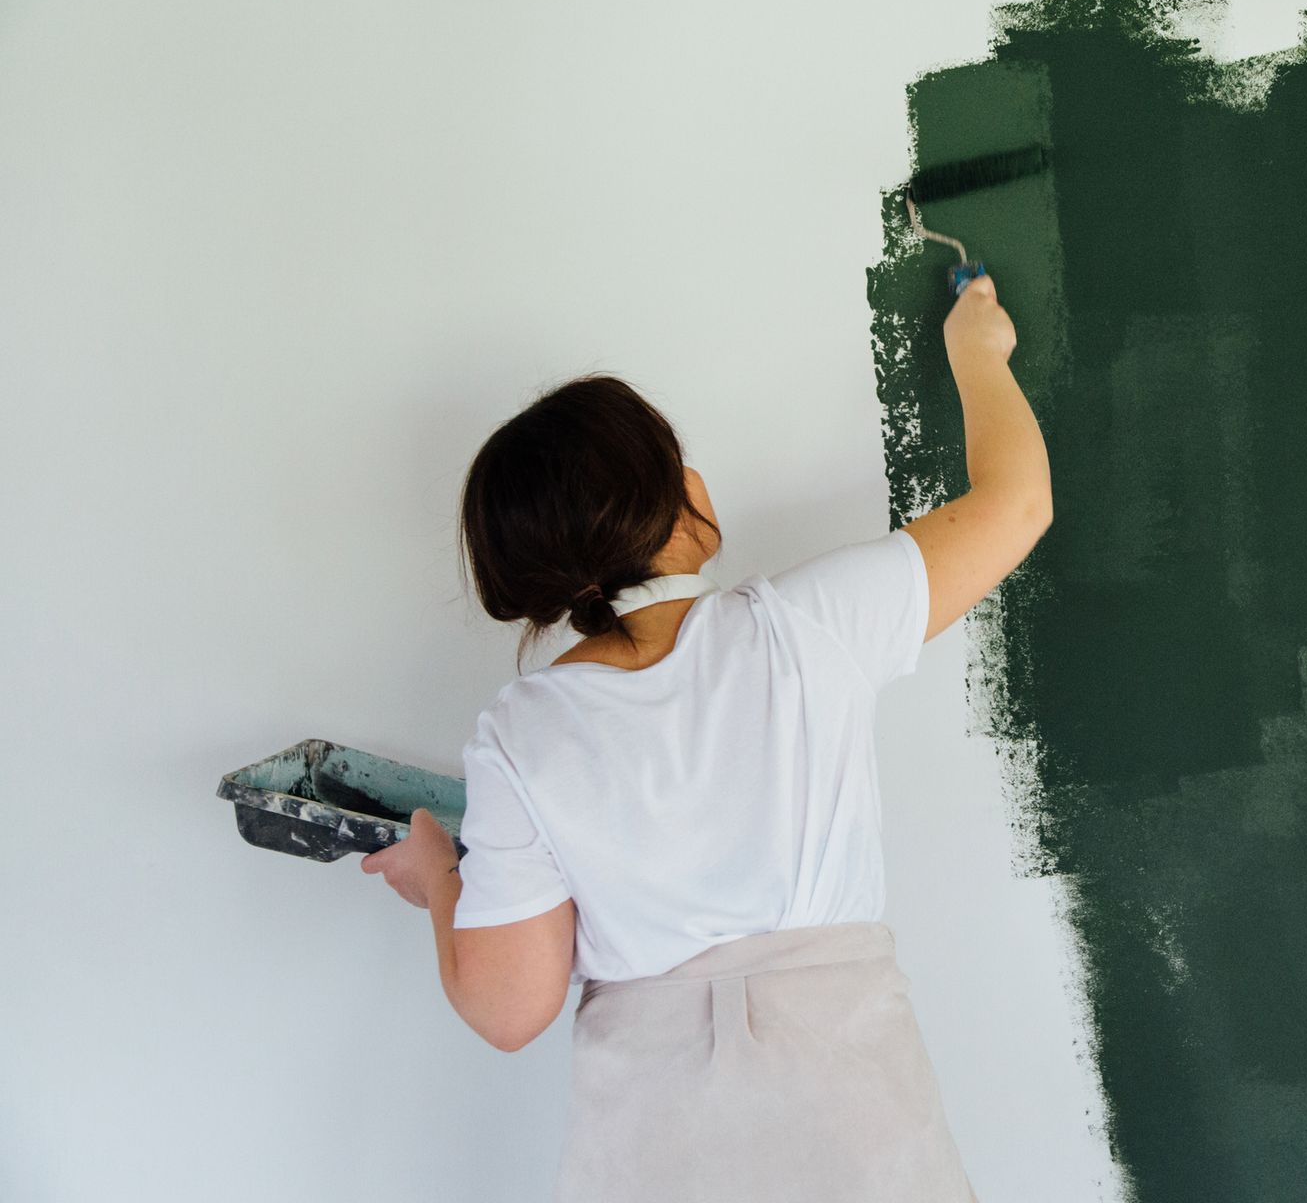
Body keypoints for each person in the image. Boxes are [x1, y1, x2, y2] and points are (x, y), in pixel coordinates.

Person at [362, 274, 1051, 1202]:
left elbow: (509, 1007)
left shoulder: (523, 737)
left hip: (659, 1157)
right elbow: (1017, 505)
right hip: (859, 1132)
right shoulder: (810, 624)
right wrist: (978, 352)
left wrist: (436, 876)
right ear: (688, 504)